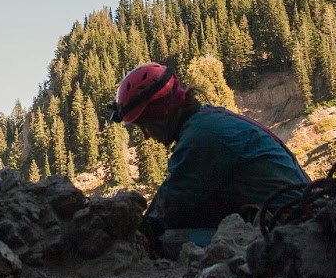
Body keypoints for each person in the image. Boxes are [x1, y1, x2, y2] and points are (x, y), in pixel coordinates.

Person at [113, 62, 308, 258]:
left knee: (155, 245)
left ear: (161, 115)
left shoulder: (201, 137)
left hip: (288, 231)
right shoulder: (206, 120)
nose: (146, 136)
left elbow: (169, 207)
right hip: (295, 216)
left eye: (145, 126)